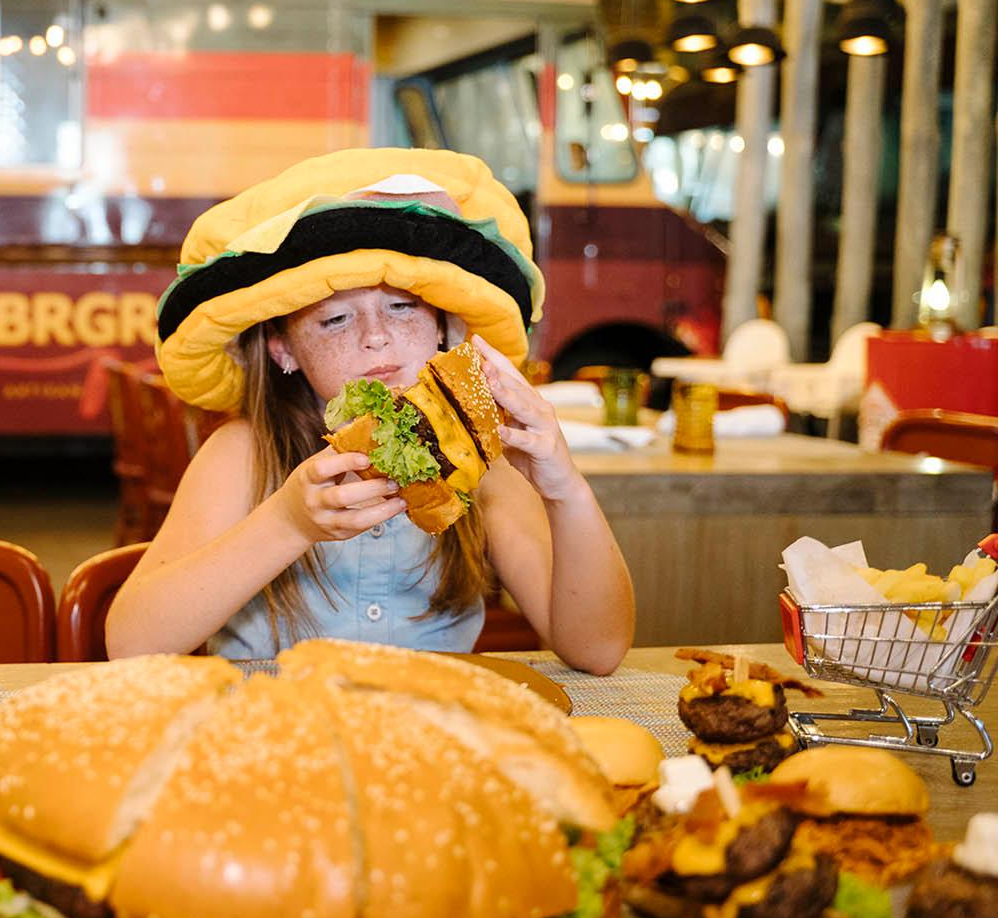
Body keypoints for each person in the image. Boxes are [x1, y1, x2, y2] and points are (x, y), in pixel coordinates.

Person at [104, 147, 633, 672]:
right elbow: (132, 641)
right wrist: (288, 523)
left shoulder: (482, 462)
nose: (377, 337)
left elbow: (598, 650)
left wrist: (565, 488)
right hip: (272, 728)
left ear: (445, 329)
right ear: (282, 348)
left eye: (403, 307)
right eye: (335, 320)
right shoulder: (244, 452)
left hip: (429, 728)